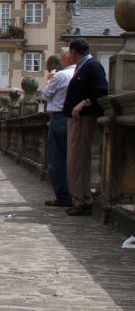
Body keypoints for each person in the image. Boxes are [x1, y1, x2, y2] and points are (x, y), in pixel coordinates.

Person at [62, 38, 108, 216]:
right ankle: (79, 198)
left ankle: (82, 200)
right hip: (78, 118)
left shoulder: (92, 66)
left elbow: (100, 91)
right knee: (75, 160)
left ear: (74, 51)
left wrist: (83, 104)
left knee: (79, 159)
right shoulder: (85, 66)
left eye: (69, 52)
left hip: (83, 118)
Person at [41, 47, 75, 208]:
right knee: (76, 158)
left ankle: (63, 195)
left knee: (57, 158)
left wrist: (49, 79)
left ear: (65, 59)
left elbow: (45, 96)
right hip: (79, 118)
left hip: (60, 117)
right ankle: (78, 194)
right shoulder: (81, 72)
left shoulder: (61, 75)